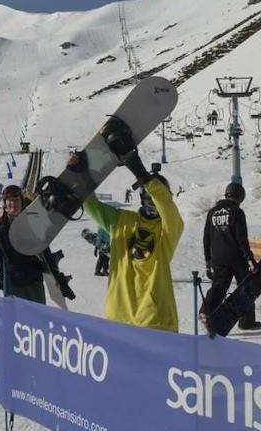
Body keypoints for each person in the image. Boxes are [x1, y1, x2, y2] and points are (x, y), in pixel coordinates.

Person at [77, 138, 183, 332]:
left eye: (156, 197)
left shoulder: (168, 229)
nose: (152, 201)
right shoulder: (122, 220)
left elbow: (167, 208)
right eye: (147, 195)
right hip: (119, 320)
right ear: (141, 196)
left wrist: (143, 175)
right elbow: (91, 205)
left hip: (156, 322)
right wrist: (80, 173)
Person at [0, 185, 73, 305]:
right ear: (5, 204)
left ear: (22, 202)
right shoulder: (0, 228)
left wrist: (58, 279)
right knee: (17, 320)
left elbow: (46, 255)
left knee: (37, 319)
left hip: (34, 284)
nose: (13, 204)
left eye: (16, 201)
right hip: (13, 286)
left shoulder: (33, 225)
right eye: (10, 201)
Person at [201, 182, 261, 331]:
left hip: (218, 258)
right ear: (240, 197)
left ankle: (205, 312)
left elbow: (206, 237)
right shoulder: (236, 212)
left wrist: (208, 260)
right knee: (246, 288)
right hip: (236, 257)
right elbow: (242, 238)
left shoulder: (212, 212)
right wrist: (250, 259)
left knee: (218, 288)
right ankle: (247, 322)